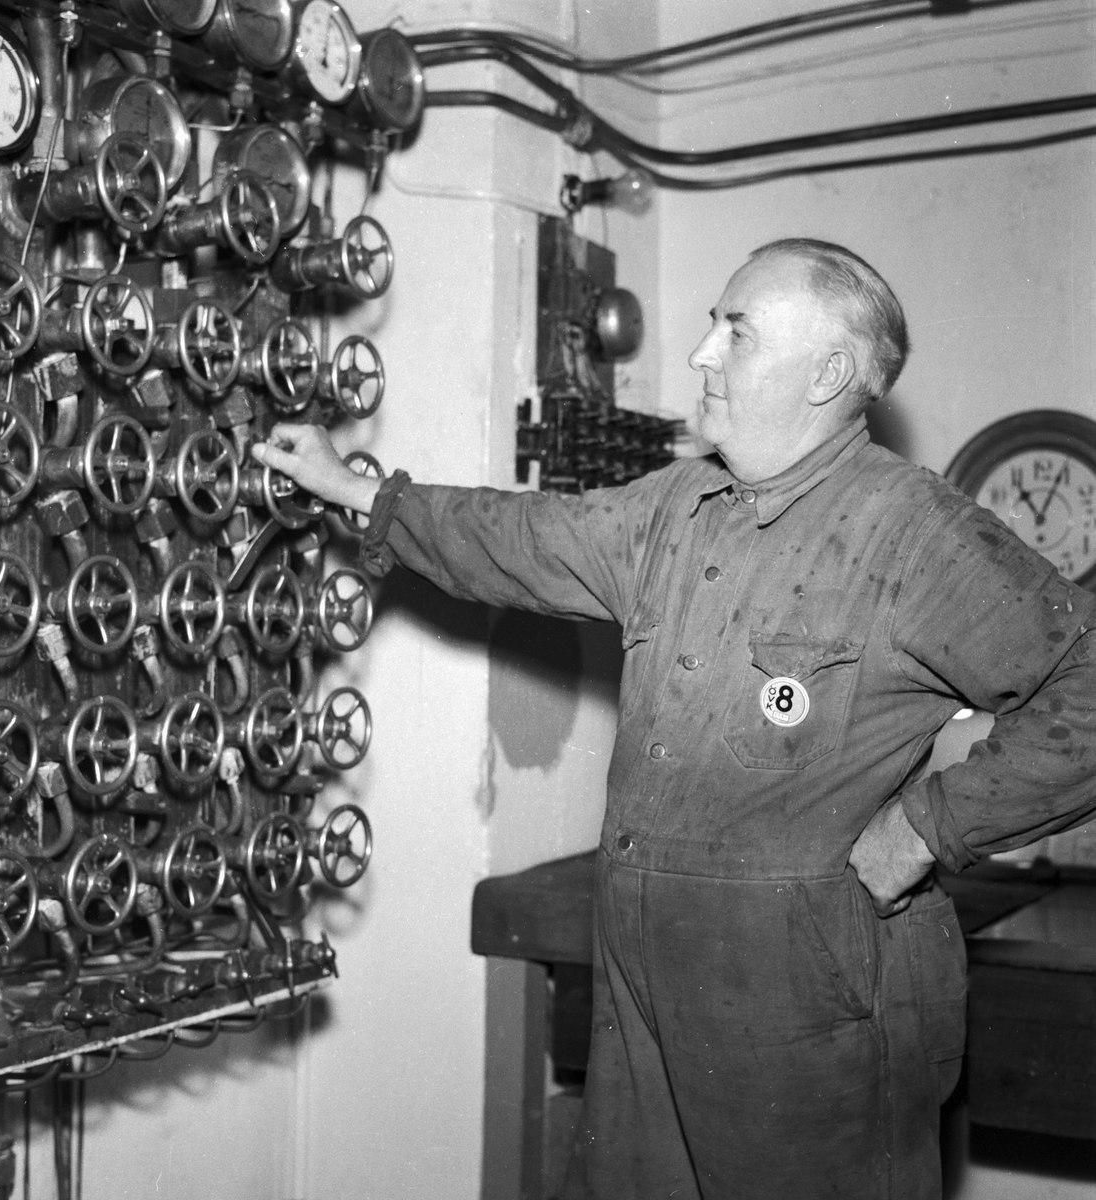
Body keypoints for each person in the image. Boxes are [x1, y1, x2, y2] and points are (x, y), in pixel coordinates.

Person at [252, 239, 1096, 1200]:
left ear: (827, 374)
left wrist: (929, 828)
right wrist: (358, 490)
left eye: (737, 332)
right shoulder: (676, 506)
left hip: (812, 994)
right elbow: (517, 537)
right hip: (640, 980)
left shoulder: (915, 532)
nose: (702, 354)